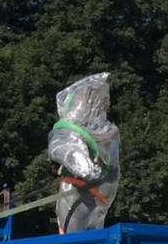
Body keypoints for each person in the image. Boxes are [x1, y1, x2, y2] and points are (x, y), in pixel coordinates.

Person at [47, 73, 120, 234]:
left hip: (78, 193)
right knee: (92, 234)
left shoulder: (73, 128)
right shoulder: (109, 131)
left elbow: (61, 148)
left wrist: (84, 168)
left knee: (74, 240)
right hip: (101, 195)